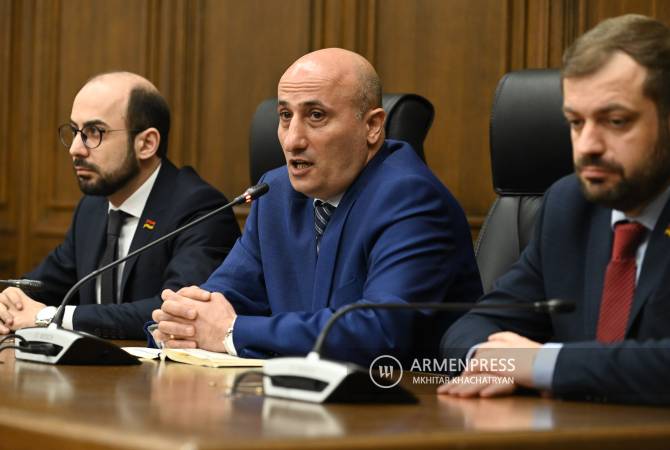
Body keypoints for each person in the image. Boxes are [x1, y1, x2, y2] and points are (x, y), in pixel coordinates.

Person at [151, 48, 482, 366]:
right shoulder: (275, 193)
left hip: (403, 396)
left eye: (316, 116)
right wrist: (182, 323)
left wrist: (230, 332)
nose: (292, 140)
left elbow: (378, 332)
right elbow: (222, 297)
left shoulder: (410, 198)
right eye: (285, 116)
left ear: (372, 126)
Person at [438, 14, 670, 404]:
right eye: (576, 123)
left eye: (616, 121)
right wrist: (496, 362)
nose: (588, 145)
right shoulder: (569, 205)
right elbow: (473, 327)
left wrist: (545, 364)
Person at [0, 72, 240, 339]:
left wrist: (48, 317)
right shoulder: (92, 207)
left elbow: (177, 312)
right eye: (75, 131)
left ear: (146, 144)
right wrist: (11, 303)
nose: (75, 149)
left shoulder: (201, 209)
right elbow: (44, 285)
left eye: (94, 132)